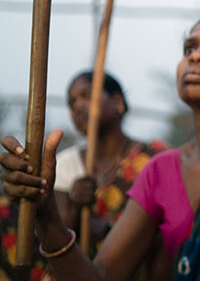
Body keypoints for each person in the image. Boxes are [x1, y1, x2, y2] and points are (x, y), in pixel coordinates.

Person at [0, 13, 200, 280]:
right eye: (190, 48)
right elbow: (101, 276)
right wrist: (45, 212)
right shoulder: (160, 170)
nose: (196, 56)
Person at [53, 70, 168, 254]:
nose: (78, 106)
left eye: (87, 95)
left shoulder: (157, 159)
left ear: (118, 102)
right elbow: (55, 242)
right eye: (71, 103)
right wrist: (75, 205)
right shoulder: (64, 165)